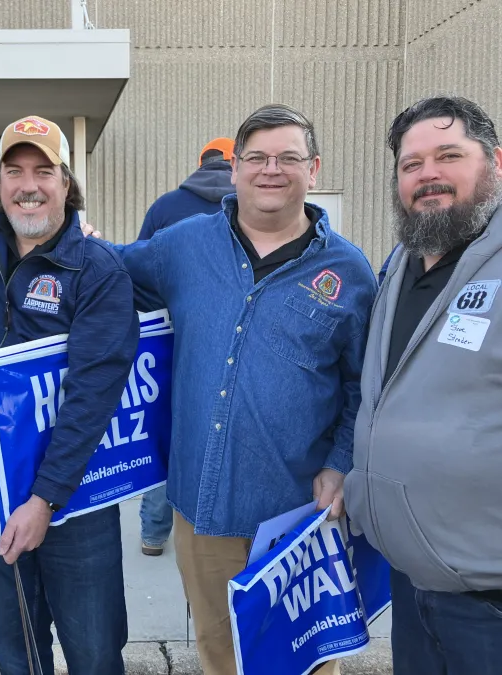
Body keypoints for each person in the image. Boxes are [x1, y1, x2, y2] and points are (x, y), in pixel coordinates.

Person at [113, 104, 376, 675]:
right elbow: (106, 274)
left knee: (301, 661)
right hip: (201, 512)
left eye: (288, 158)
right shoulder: (183, 246)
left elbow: (363, 386)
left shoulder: (350, 273)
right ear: (234, 171)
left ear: (315, 168)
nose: (270, 170)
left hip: (297, 517)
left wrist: (340, 459)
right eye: (255, 157)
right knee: (219, 655)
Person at [0, 115, 139, 675]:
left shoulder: (98, 268)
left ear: (67, 183)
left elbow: (93, 396)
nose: (28, 184)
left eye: (44, 170)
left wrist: (45, 499)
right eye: (13, 171)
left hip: (76, 496)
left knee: (94, 652)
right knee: (17, 650)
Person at [345, 95, 502, 675]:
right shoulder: (404, 260)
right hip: (413, 585)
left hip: (489, 604)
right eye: (411, 165)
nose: (428, 175)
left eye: (448, 155)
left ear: (495, 163)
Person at [137, 136, 235, 556]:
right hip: (233, 339)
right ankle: (220, 522)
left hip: (171, 335)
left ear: (200, 164)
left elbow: (141, 270)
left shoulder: (166, 207)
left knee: (170, 428)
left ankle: (154, 533)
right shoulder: (254, 206)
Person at [137, 136, 235, 240]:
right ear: (236, 163)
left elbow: (139, 253)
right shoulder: (248, 206)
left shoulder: (163, 206)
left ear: (202, 165)